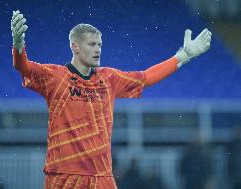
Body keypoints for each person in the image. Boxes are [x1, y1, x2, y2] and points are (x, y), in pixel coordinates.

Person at [11, 10, 212, 189]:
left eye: (99, 44)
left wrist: (183, 56)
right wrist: (19, 45)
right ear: (75, 47)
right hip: (63, 176)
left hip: (101, 177)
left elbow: (146, 77)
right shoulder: (56, 77)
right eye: (91, 44)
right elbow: (24, 67)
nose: (98, 49)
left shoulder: (109, 78)